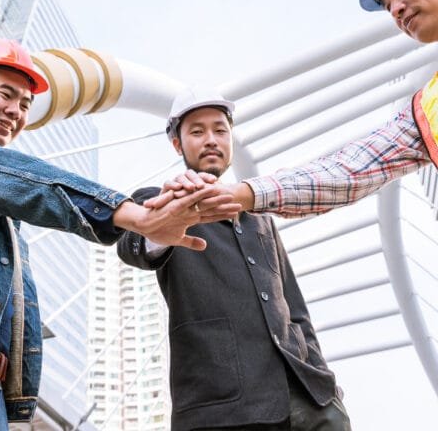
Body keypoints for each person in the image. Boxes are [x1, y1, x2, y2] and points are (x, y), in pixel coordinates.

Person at [0, 38, 239, 430]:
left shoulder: (1, 203)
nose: (16, 111)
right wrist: (133, 215)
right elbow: (28, 181)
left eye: (25, 104)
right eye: (6, 94)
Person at [148, 0, 438, 218]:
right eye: (388, 6)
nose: (396, 10)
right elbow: (347, 173)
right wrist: (238, 193)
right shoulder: (427, 110)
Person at [116, 87, 352, 431]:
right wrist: (165, 221)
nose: (210, 139)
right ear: (178, 145)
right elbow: (132, 245)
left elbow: (296, 310)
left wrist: (323, 378)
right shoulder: (158, 200)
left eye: (220, 130)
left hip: (312, 400)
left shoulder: (260, 217)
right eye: (197, 131)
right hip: (221, 407)